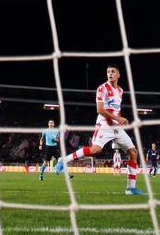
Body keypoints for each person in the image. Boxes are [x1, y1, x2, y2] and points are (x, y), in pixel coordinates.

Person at [55, 65, 147, 195]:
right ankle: (63, 160)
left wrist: (119, 120)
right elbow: (100, 110)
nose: (110, 73)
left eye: (113, 71)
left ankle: (130, 188)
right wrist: (118, 118)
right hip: (104, 125)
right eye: (108, 72)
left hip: (117, 127)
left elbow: (116, 109)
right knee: (96, 149)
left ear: (118, 75)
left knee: (133, 152)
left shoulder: (120, 90)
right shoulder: (102, 88)